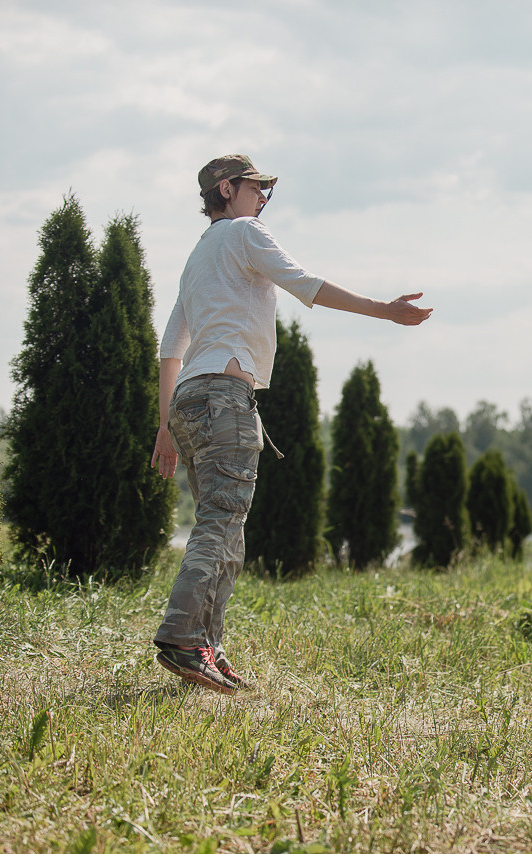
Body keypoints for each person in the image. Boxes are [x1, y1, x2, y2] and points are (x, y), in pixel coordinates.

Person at [149, 154, 431, 694]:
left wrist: (166, 426)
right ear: (227, 189)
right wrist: (385, 310)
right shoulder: (245, 233)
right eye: (257, 187)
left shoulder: (196, 257)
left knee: (227, 528)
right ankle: (182, 636)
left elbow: (171, 350)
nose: (263, 198)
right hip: (225, 396)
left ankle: (208, 646)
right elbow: (306, 284)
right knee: (221, 521)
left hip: (189, 400)